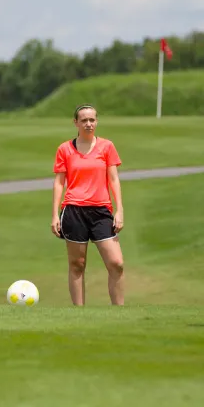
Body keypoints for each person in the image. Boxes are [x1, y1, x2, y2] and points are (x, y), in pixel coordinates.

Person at [51, 104, 126, 306]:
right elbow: (59, 183)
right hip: (73, 210)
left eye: (92, 119)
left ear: (97, 122)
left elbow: (114, 179)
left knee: (116, 263)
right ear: (75, 123)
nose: (88, 123)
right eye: (84, 120)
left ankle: (120, 312)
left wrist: (119, 211)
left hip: (101, 211)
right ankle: (79, 314)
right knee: (77, 265)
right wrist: (54, 215)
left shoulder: (107, 147)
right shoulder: (65, 149)